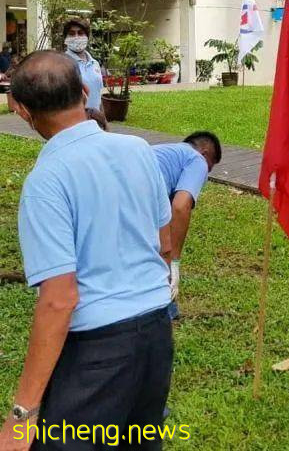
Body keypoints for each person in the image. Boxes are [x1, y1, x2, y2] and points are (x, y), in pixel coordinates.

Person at [1, 51, 173, 450]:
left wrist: (22, 415)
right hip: (155, 336)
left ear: (24, 112)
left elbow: (59, 301)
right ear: (83, 91)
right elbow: (164, 244)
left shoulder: (46, 181)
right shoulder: (138, 150)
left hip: (97, 352)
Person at [152, 132, 221, 318]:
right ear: (205, 153)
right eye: (210, 167)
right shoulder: (197, 160)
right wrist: (174, 262)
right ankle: (163, 307)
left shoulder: (164, 152)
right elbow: (181, 207)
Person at [63, 18, 104, 112]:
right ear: (65, 38)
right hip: (75, 122)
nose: (76, 37)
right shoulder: (62, 63)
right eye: (72, 33)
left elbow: (98, 96)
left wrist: (104, 120)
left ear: (87, 37)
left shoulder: (95, 64)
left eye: (80, 33)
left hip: (96, 121)